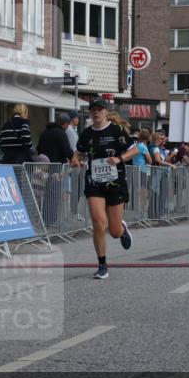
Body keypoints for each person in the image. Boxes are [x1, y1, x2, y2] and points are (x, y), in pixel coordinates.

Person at [70, 98, 138, 279]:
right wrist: (75, 159)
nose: (96, 113)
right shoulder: (85, 134)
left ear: (106, 112)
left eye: (100, 110)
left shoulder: (117, 131)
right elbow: (78, 152)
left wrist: (119, 159)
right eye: (93, 110)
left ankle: (121, 229)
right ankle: (102, 265)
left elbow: (134, 150)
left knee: (114, 232)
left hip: (115, 183)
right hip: (94, 183)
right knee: (99, 223)